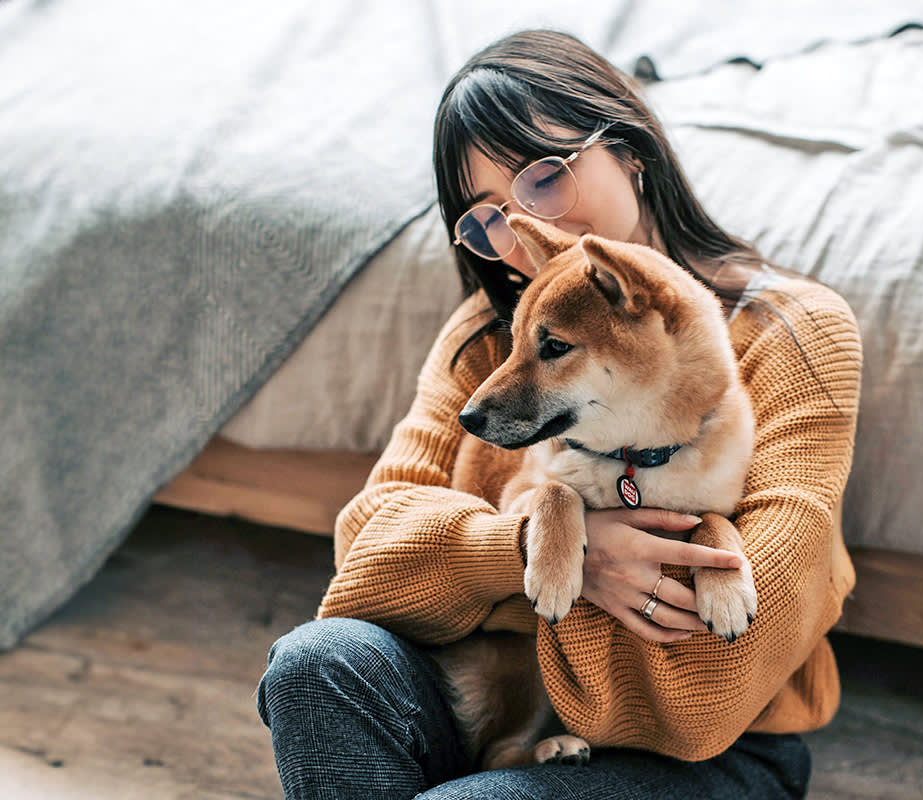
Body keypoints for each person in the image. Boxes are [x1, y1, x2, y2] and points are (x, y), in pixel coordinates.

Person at [257, 29, 861, 800]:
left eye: (544, 177)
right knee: (314, 667)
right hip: (499, 700)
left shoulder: (797, 333)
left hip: (713, 753)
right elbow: (366, 552)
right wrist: (536, 548)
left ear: (631, 150)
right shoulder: (495, 333)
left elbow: (714, 682)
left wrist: (490, 590)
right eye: (487, 217)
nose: (520, 231)